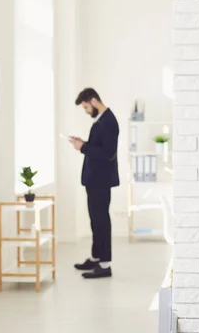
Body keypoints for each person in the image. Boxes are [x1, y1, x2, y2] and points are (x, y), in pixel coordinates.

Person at [69, 87, 120, 279]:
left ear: (93, 101)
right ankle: (96, 257)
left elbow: (107, 154)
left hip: (101, 180)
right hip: (95, 179)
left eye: (86, 108)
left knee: (101, 221)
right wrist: (84, 144)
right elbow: (98, 148)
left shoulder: (108, 121)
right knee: (95, 220)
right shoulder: (102, 120)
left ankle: (105, 264)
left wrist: (82, 147)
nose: (86, 112)